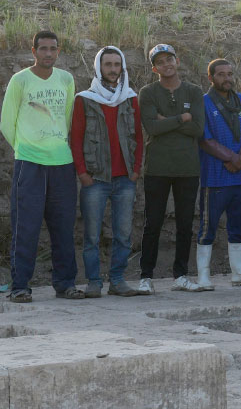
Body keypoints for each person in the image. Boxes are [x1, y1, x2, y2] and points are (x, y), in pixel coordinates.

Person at [3, 31, 81, 302]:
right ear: (33, 51)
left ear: (58, 52)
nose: (48, 53)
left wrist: (60, 148)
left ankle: (66, 284)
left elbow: (70, 120)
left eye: (53, 49)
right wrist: (26, 149)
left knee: (63, 227)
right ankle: (20, 287)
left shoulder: (67, 79)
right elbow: (7, 122)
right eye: (43, 48)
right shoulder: (20, 80)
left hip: (62, 163)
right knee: (26, 227)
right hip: (30, 164)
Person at [71, 46, 142, 298]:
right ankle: (93, 282)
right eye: (108, 64)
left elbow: (139, 138)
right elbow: (76, 139)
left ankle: (118, 280)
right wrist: (83, 174)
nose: (113, 70)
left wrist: (135, 171)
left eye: (116, 65)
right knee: (91, 235)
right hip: (95, 179)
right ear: (99, 67)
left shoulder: (130, 97)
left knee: (123, 234)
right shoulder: (85, 98)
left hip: (125, 180)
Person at [138, 43, 206, 294]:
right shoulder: (148, 92)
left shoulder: (194, 91)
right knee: (152, 222)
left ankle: (181, 275)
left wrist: (166, 121)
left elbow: (198, 129)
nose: (166, 64)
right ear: (154, 67)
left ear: (177, 61)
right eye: (161, 61)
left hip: (187, 167)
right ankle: (146, 276)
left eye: (170, 59)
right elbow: (152, 128)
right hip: (157, 166)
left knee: (185, 223)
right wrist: (181, 119)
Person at [198, 58, 241, 289]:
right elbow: (205, 139)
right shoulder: (204, 103)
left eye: (230, 74)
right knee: (208, 226)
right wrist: (232, 158)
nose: (227, 78)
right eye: (221, 74)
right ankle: (204, 276)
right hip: (215, 175)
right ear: (210, 78)